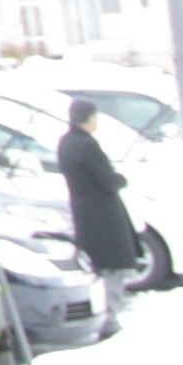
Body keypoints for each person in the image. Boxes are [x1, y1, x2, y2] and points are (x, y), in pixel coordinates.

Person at [59, 98, 143, 278]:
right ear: (89, 118)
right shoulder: (87, 144)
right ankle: (112, 304)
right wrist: (121, 179)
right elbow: (106, 179)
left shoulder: (65, 142)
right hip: (103, 213)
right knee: (113, 265)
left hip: (82, 209)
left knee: (96, 264)